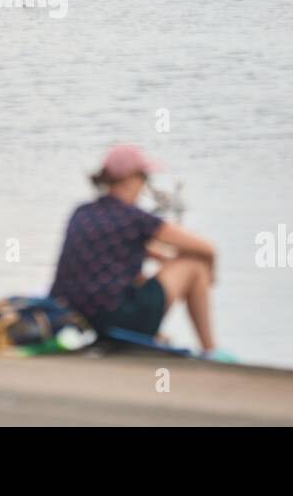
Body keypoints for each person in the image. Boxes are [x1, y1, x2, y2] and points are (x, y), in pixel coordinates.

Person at [48, 144, 222, 356]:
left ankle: (154, 334)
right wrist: (209, 277)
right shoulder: (136, 219)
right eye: (145, 178)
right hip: (114, 323)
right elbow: (207, 249)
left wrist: (160, 258)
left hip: (70, 319)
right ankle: (210, 350)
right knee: (195, 265)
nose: (145, 186)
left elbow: (114, 257)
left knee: (132, 277)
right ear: (132, 178)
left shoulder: (81, 212)